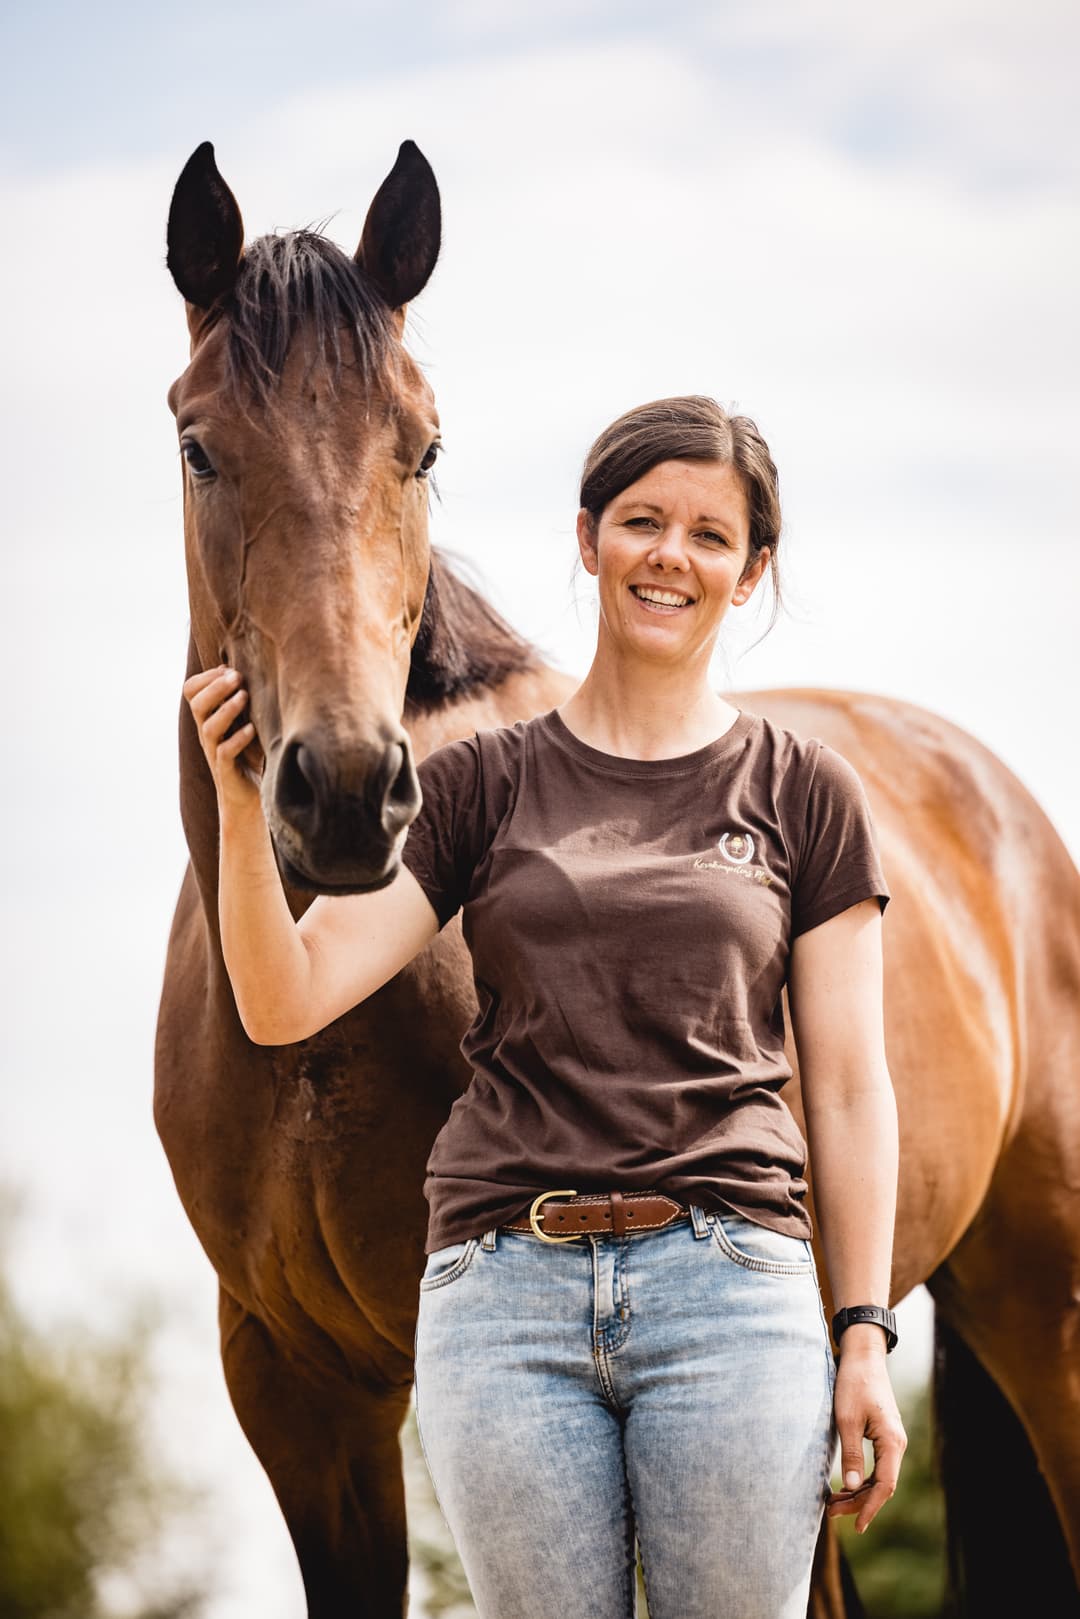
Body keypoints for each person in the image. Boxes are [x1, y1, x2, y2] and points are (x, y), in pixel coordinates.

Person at [185, 395, 907, 1619]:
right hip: (504, 1299)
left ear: (753, 568)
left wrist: (864, 1334)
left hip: (730, 1288)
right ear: (588, 540)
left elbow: (846, 1083)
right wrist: (240, 804)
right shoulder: (480, 783)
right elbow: (279, 997)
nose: (670, 553)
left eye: (709, 532)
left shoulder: (805, 791)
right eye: (640, 520)